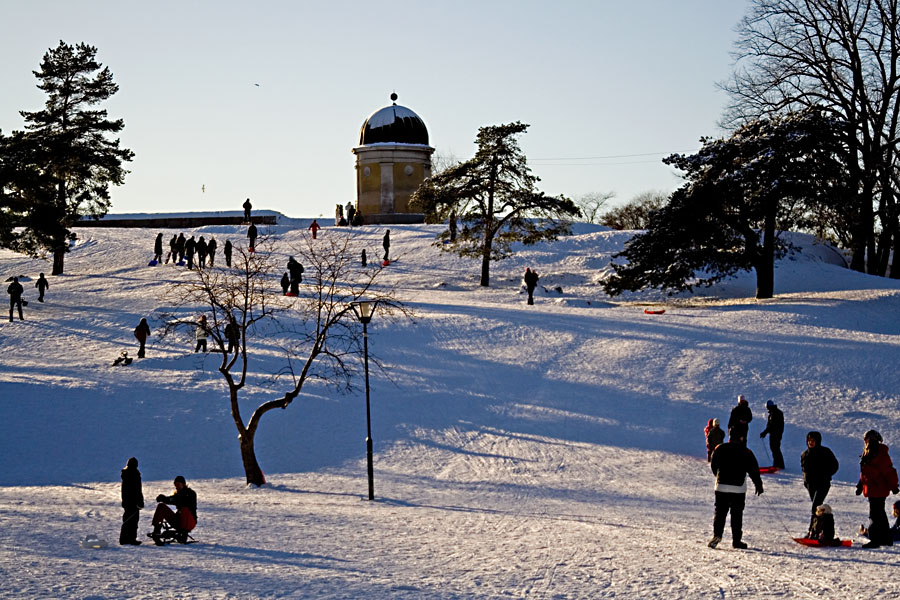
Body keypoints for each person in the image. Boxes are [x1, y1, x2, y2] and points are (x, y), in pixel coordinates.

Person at [709, 426, 764, 549]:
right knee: (736, 514)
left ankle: (717, 535)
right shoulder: (746, 451)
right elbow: (753, 470)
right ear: (741, 437)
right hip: (738, 489)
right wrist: (758, 485)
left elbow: (713, 465)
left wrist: (718, 475)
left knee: (720, 512)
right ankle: (736, 540)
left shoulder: (719, 448)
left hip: (721, 486)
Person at [856, 429, 899, 548]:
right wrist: (860, 484)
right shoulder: (868, 452)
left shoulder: (880, 453)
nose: (866, 442)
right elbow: (865, 472)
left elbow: (889, 471)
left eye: (868, 439)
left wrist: (894, 486)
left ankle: (875, 540)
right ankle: (886, 539)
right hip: (872, 488)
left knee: (874, 515)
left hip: (877, 488)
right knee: (880, 514)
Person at [800, 431, 839, 537]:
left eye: (813, 441)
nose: (810, 443)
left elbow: (835, 465)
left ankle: (813, 531)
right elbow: (804, 470)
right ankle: (823, 531)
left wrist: (826, 475)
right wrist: (806, 481)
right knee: (818, 509)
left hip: (823, 484)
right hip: (811, 486)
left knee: (815, 507)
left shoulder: (825, 452)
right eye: (809, 441)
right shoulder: (805, 454)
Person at [149, 475, 197, 544]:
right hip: (179, 521)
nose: (176, 487)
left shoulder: (191, 494)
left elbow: (181, 500)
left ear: (183, 484)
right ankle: (156, 530)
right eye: (175, 485)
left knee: (184, 509)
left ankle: (183, 534)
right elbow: (173, 499)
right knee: (161, 506)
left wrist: (168, 499)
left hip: (189, 522)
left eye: (178, 485)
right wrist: (164, 499)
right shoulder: (177, 495)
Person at [119, 457, 144, 545]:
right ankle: (131, 538)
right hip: (133, 502)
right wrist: (140, 502)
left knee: (127, 520)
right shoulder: (135, 474)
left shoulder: (125, 474)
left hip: (127, 501)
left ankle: (124, 539)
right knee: (133, 521)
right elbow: (137, 490)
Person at [759, 400, 785, 469]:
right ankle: (778, 464)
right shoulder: (774, 413)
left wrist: (765, 432)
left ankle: (778, 464)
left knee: (775, 448)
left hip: (775, 434)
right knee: (775, 448)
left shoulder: (775, 413)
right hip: (776, 433)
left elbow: (772, 425)